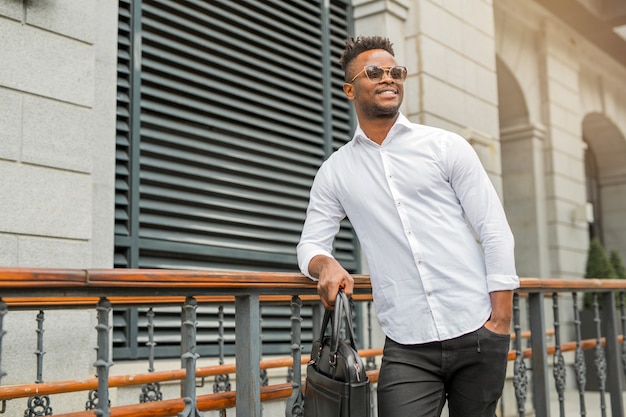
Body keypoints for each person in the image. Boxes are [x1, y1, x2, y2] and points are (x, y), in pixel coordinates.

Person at [296, 35, 519, 417]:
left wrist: (500, 321)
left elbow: (494, 228)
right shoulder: (335, 172)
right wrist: (325, 264)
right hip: (406, 343)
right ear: (350, 89)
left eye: (395, 71)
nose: (388, 78)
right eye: (374, 72)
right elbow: (310, 243)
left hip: (477, 328)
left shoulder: (446, 147)